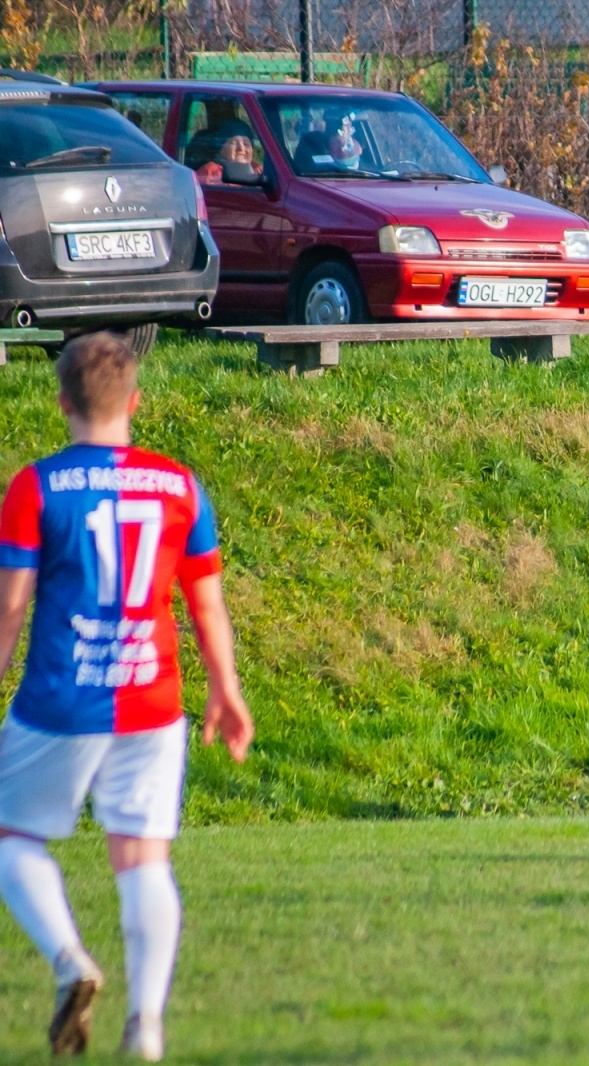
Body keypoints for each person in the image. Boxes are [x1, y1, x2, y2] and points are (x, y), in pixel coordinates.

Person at [0, 332, 255, 1060]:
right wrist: (226, 691)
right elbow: (206, 604)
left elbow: (10, 608)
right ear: (135, 402)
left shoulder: (37, 486)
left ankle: (68, 959)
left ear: (62, 403)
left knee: (12, 838)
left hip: (61, 699)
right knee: (143, 859)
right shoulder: (179, 486)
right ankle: (145, 1026)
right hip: (151, 699)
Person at [194, 121, 262, 185]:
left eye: (246, 144)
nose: (241, 148)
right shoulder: (209, 173)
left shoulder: (260, 171)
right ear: (220, 148)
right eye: (234, 143)